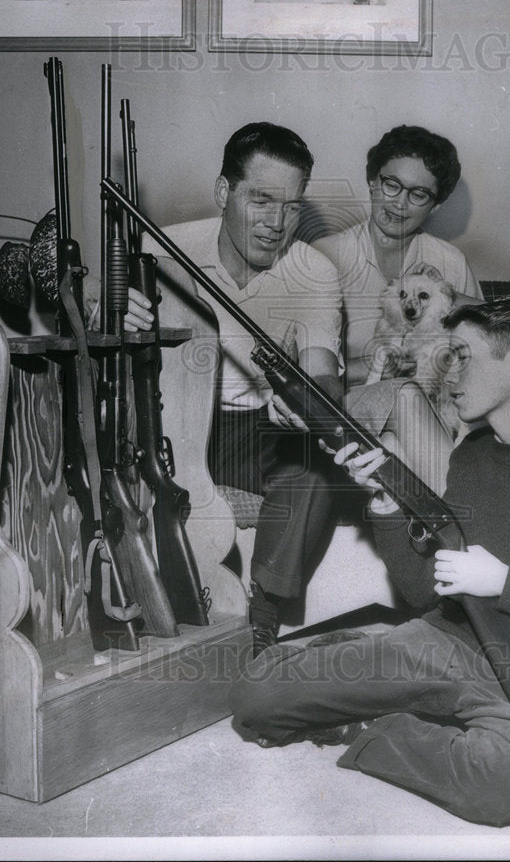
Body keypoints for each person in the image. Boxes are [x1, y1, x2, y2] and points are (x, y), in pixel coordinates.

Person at [228, 299, 510, 826]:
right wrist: (387, 507)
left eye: (462, 356)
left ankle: (371, 726)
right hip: (445, 641)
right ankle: (358, 667)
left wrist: (506, 583)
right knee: (256, 698)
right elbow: (423, 593)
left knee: (498, 788)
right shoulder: (472, 454)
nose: (448, 370)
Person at [122, 122, 344, 656]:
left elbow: (324, 375)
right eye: (261, 200)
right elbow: (89, 300)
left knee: (318, 459)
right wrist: (110, 307)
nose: (277, 223)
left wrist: (311, 402)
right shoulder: (160, 249)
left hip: (256, 431)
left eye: (292, 207)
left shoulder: (314, 271)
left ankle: (261, 620)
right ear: (224, 193)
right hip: (171, 424)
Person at [313, 125, 482, 494]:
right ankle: (464, 519)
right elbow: (307, 373)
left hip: (433, 415)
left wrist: (448, 293)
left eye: (419, 194)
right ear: (372, 182)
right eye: (391, 184)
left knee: (398, 446)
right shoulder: (324, 256)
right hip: (350, 409)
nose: (399, 203)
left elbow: (487, 345)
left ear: (436, 204)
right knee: (404, 397)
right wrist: (382, 370)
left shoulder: (448, 262)